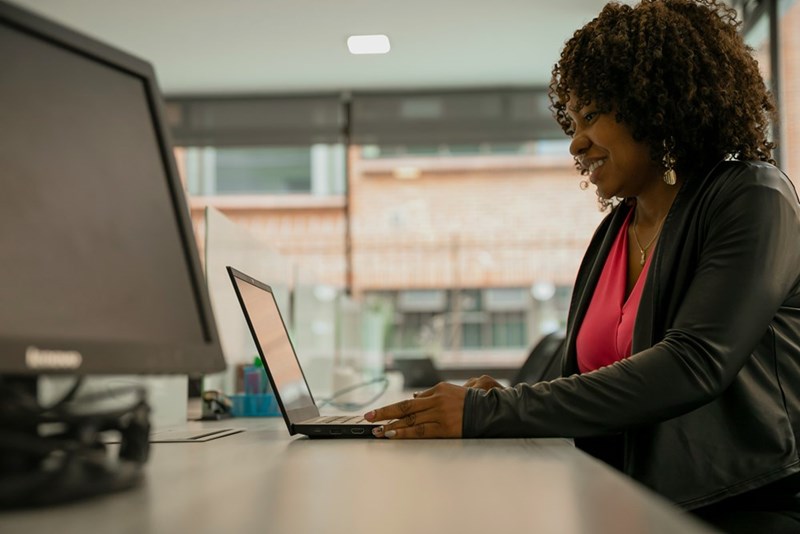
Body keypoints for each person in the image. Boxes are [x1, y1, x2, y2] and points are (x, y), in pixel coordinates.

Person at [363, 0, 800, 531]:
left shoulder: (751, 197)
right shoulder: (615, 231)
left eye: (591, 116)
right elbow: (594, 385)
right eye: (572, 122)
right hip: (622, 500)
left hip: (740, 506)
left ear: (651, 104)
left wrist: (491, 413)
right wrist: (505, 401)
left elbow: (693, 364)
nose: (575, 141)